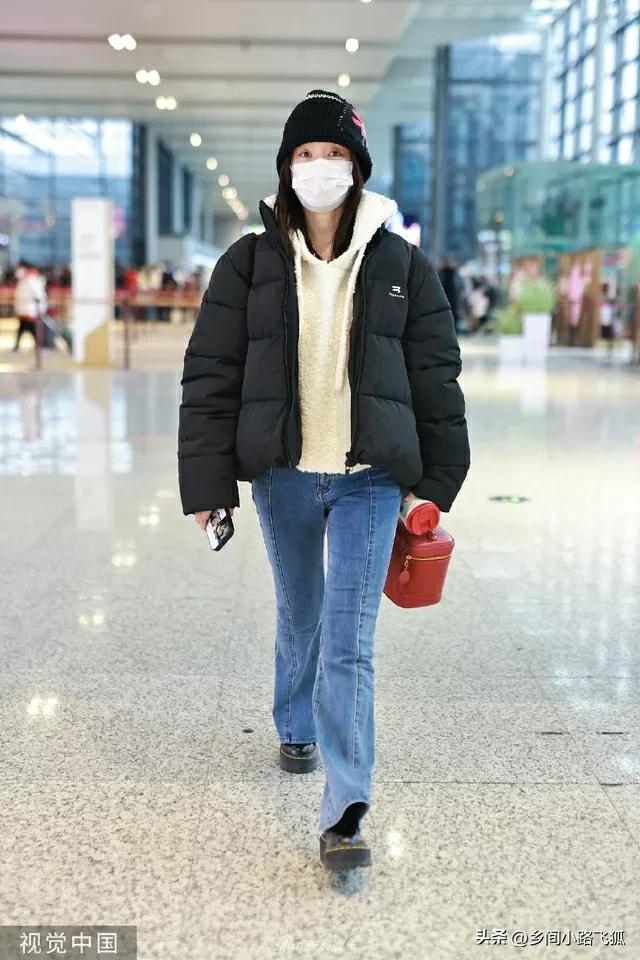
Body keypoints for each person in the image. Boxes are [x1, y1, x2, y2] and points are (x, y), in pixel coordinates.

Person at [177, 89, 470, 872]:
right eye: (305, 155)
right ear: (286, 168)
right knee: (300, 613)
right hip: (282, 478)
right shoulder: (247, 261)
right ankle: (292, 723)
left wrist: (437, 481)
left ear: (357, 167)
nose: (319, 167)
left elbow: (436, 377)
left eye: (333, 154)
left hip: (371, 480)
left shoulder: (401, 262)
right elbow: (210, 375)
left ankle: (345, 810)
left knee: (350, 642)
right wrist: (208, 484)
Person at [12, 262, 46, 351]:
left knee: (23, 328)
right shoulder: (31, 281)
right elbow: (39, 295)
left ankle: (17, 347)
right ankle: (39, 347)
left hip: (27, 309)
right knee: (32, 329)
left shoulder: (25, 280)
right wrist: (43, 307)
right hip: (29, 310)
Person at [438, 255, 464, 333]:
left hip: (451, 296)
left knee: (453, 313)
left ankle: (453, 330)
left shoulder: (452, 272)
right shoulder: (441, 272)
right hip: (445, 296)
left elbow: (459, 285)